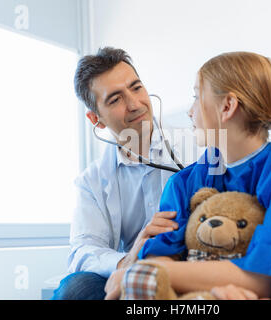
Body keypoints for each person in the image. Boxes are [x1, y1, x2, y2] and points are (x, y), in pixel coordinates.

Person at [104, 51, 271, 300]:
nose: (189, 111)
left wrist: (136, 273)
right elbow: (163, 257)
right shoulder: (184, 184)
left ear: (227, 106)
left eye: (196, 96)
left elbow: (265, 277)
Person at [52, 47, 179, 300]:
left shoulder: (198, 148)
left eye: (136, 87)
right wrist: (128, 261)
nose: (134, 104)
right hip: (131, 273)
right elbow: (82, 250)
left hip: (187, 263)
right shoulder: (91, 181)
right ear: (95, 119)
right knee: (75, 289)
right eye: (115, 99)